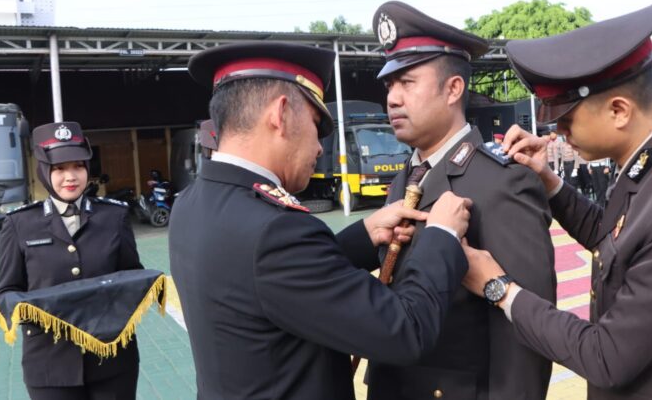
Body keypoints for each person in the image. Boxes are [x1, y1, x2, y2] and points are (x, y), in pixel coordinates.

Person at [460, 0, 652, 399]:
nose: (559, 132)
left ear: (619, 111)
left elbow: (606, 355)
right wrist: (548, 179)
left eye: (567, 119)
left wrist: (500, 289)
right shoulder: (649, 167)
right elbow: (613, 240)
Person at [169, 41, 473, 400]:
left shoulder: (191, 203)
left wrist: (364, 235)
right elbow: (406, 331)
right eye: (316, 126)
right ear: (281, 114)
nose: (318, 147)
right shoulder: (277, 231)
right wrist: (441, 234)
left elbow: (265, 279)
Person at [357, 1, 556, 400]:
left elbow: (524, 337)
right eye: (389, 85)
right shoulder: (406, 180)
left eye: (407, 82)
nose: (392, 98)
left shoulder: (501, 182)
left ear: (453, 89)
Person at [0, 121, 143, 400]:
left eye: (78, 166)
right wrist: (43, 311)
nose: (70, 176)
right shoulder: (19, 224)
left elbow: (131, 277)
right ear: (44, 171)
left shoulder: (114, 217)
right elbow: (6, 292)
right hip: (49, 365)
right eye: (59, 168)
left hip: (112, 360)